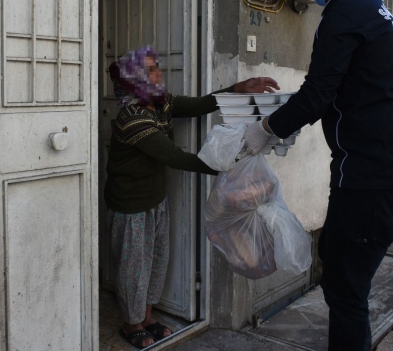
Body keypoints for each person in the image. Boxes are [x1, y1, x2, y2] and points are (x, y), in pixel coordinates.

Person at [243, 0, 393, 351]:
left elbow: (317, 95)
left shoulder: (343, 13)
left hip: (376, 175)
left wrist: (265, 130)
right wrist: (293, 112)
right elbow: (342, 89)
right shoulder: (373, 8)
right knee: (335, 253)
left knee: (345, 291)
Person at [106, 45, 278, 349]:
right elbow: (174, 157)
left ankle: (147, 317)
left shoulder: (161, 104)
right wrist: (230, 167)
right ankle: (131, 323)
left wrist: (238, 89)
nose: (159, 73)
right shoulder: (132, 119)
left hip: (155, 200)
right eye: (150, 70)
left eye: (157, 66)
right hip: (130, 206)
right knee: (134, 266)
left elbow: (201, 104)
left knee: (157, 260)